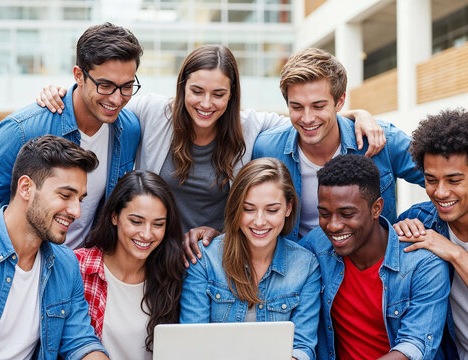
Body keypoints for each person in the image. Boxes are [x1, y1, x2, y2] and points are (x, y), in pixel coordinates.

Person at [37, 44, 385, 265]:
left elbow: (306, 118)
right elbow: (105, 101)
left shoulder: (251, 126)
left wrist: (357, 115)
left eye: (219, 94)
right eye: (197, 91)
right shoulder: (153, 113)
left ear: (232, 95)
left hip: (213, 259)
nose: (206, 103)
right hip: (151, 253)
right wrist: (62, 91)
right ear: (182, 88)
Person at [0, 22, 142, 249]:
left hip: (82, 270)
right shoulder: (23, 130)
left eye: (127, 86)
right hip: (22, 266)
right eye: (105, 85)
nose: (116, 98)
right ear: (79, 76)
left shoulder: (130, 129)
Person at [0, 135, 109, 360]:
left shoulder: (65, 265)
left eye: (80, 199)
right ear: (26, 188)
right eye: (65, 195)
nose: (76, 212)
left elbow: (81, 343)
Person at [252, 48, 424, 241]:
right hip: (300, 266)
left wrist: (411, 221)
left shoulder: (382, 140)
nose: (307, 118)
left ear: (340, 101)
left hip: (370, 266)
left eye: (318, 106)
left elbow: (453, 181)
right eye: (297, 107)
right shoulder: (266, 149)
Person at [300, 154, 450, 360]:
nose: (333, 225)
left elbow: (415, 346)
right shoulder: (315, 246)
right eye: (324, 214)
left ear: (376, 208)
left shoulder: (423, 264)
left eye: (347, 214)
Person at [179, 157, 321, 360]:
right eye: (249, 209)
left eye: (272, 210)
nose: (260, 221)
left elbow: (301, 348)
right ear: (237, 207)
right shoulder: (205, 259)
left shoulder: (306, 266)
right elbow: (193, 342)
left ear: (289, 208)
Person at [74, 170, 185, 359]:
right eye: (136, 221)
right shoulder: (79, 267)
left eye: (158, 224)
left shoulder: (173, 273)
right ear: (114, 217)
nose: (147, 234)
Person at [393, 108, 468, 359]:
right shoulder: (419, 221)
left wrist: (454, 253)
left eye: (454, 180)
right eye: (431, 180)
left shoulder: (445, 242)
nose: (440, 192)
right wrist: (396, 232)